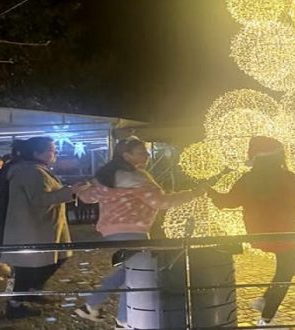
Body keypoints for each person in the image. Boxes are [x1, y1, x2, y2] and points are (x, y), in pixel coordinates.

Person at [74, 137, 204, 329]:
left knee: (131, 274)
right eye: (141, 152)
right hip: (133, 231)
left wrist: (80, 188)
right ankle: (94, 306)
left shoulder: (106, 178)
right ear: (126, 156)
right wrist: (192, 194)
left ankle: (121, 318)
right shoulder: (138, 180)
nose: (147, 155)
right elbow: (162, 202)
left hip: (111, 232)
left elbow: (87, 196)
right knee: (132, 273)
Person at [206, 136, 295, 328]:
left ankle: (265, 301)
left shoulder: (247, 179)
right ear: (278, 156)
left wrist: (210, 192)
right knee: (286, 271)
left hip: (259, 233)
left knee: (293, 263)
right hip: (286, 233)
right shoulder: (286, 178)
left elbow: (227, 202)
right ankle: (266, 318)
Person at [2, 137, 90, 319]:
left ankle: (32, 291)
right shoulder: (31, 171)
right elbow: (40, 199)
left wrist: (69, 191)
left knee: (58, 256)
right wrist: (70, 191)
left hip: (42, 226)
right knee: (28, 268)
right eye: (51, 149)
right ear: (36, 153)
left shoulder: (37, 170)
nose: (55, 153)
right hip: (32, 228)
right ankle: (15, 304)